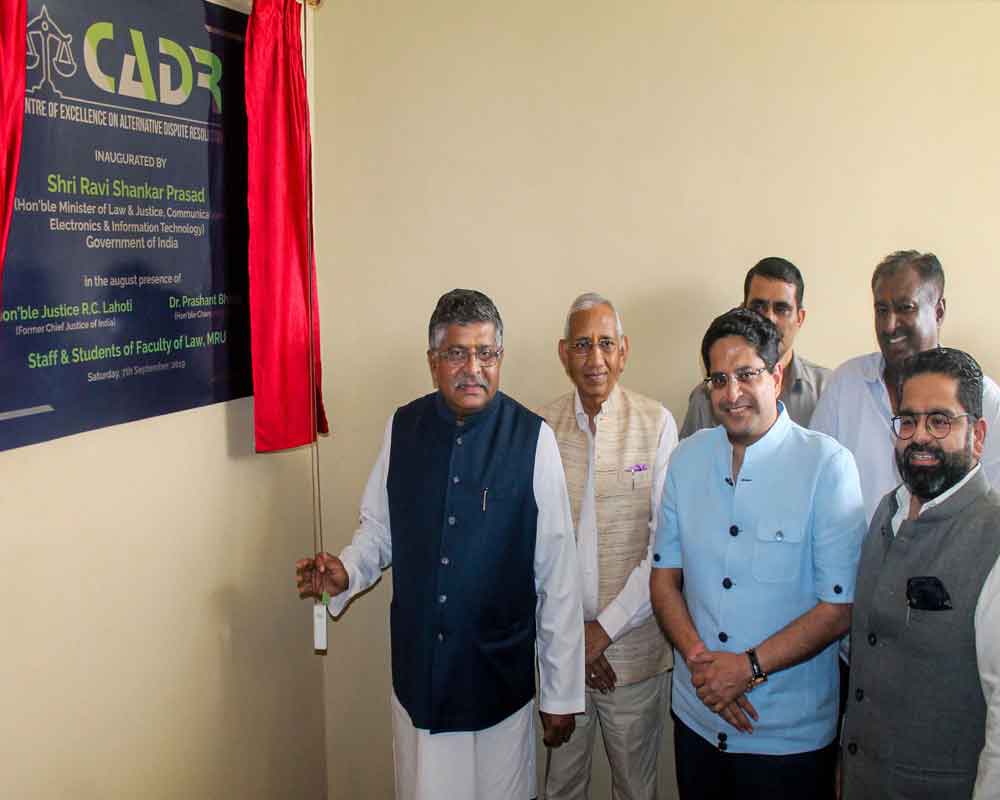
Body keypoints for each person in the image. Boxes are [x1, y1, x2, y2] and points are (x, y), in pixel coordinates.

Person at [295, 289, 585, 800]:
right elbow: (379, 530)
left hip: (498, 677)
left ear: (500, 359)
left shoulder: (532, 438)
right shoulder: (402, 428)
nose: (472, 367)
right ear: (433, 363)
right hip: (421, 676)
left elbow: (557, 573)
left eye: (486, 353)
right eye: (457, 353)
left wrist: (560, 692)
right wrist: (347, 571)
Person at [650, 307, 865, 799]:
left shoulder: (826, 466)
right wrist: (706, 669)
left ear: (777, 374)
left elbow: (839, 607)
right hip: (698, 715)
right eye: (718, 379)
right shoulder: (687, 459)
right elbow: (664, 580)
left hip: (789, 738)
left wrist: (745, 669)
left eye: (747, 374)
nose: (731, 393)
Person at [842, 347, 1000, 799]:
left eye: (940, 421)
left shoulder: (993, 538)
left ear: (978, 435)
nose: (920, 437)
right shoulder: (884, 513)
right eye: (907, 421)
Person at [539, 293, 678, 800]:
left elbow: (664, 549)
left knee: (636, 790)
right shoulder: (540, 429)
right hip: (561, 653)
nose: (594, 359)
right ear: (563, 353)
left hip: (634, 654)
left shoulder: (657, 424)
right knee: (561, 787)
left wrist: (604, 631)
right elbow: (533, 552)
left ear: (623, 351)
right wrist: (575, 638)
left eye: (604, 344)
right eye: (581, 345)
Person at [811, 250, 1000, 522]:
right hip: (859, 560)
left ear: (938, 312)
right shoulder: (847, 384)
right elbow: (815, 482)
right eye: (881, 310)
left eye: (905, 308)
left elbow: (991, 510)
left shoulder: (983, 398)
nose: (889, 326)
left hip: (947, 559)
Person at [679, 256, 830, 438]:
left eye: (781, 309)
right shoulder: (706, 398)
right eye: (759, 306)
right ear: (743, 310)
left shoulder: (828, 391)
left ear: (800, 318)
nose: (769, 318)